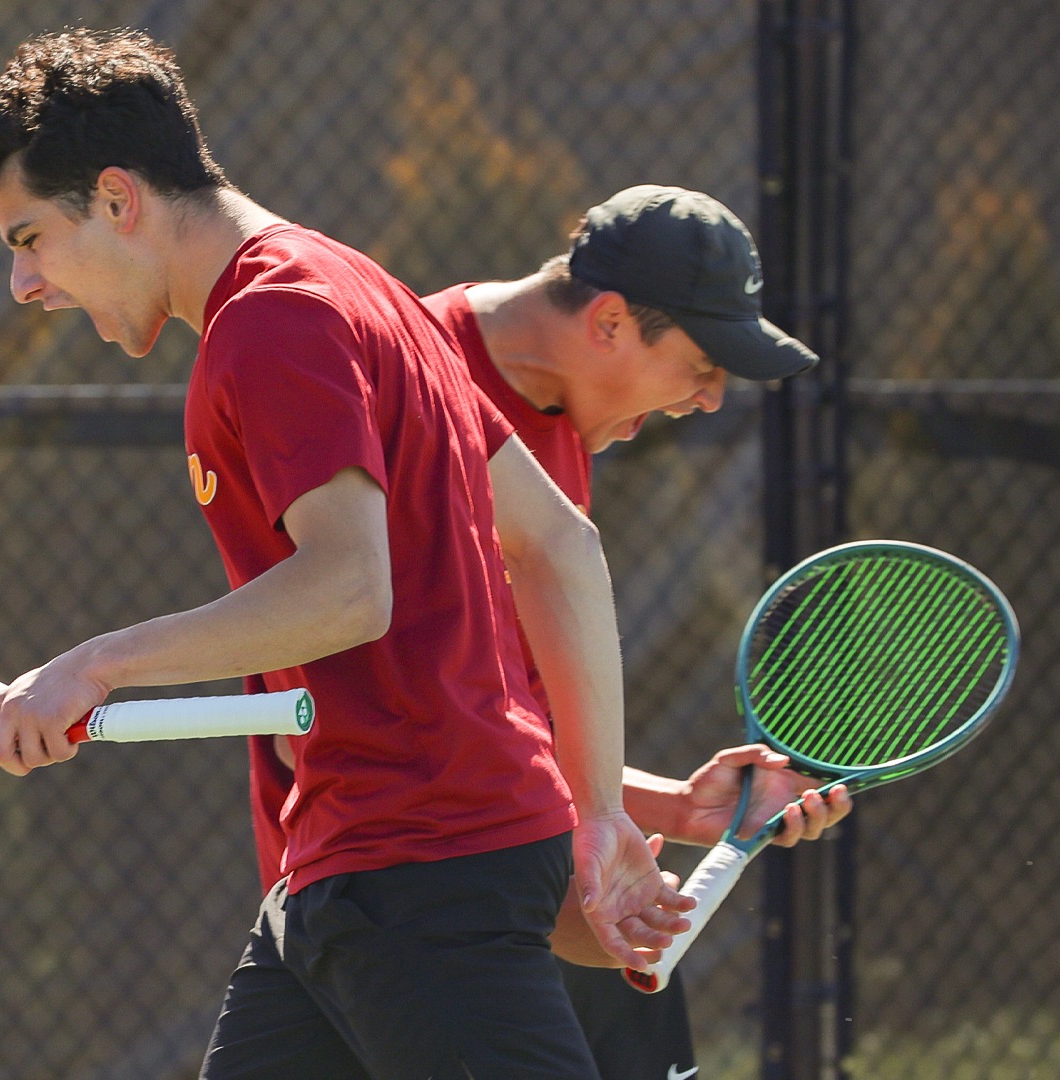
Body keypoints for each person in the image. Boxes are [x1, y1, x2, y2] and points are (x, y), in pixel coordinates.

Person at [0, 29, 692, 1079]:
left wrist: (94, 663)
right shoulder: (355, 286)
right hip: (356, 871)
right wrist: (600, 812)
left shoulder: (273, 323)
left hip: (417, 875)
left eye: (30, 238)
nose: (24, 285)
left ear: (117, 200)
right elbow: (561, 544)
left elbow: (349, 588)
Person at [247, 186, 855, 1078]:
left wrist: (677, 809)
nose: (713, 398)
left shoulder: (563, 424)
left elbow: (509, 714)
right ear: (608, 321)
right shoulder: (394, 378)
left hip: (534, 889)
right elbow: (348, 722)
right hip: (404, 914)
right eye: (702, 362)